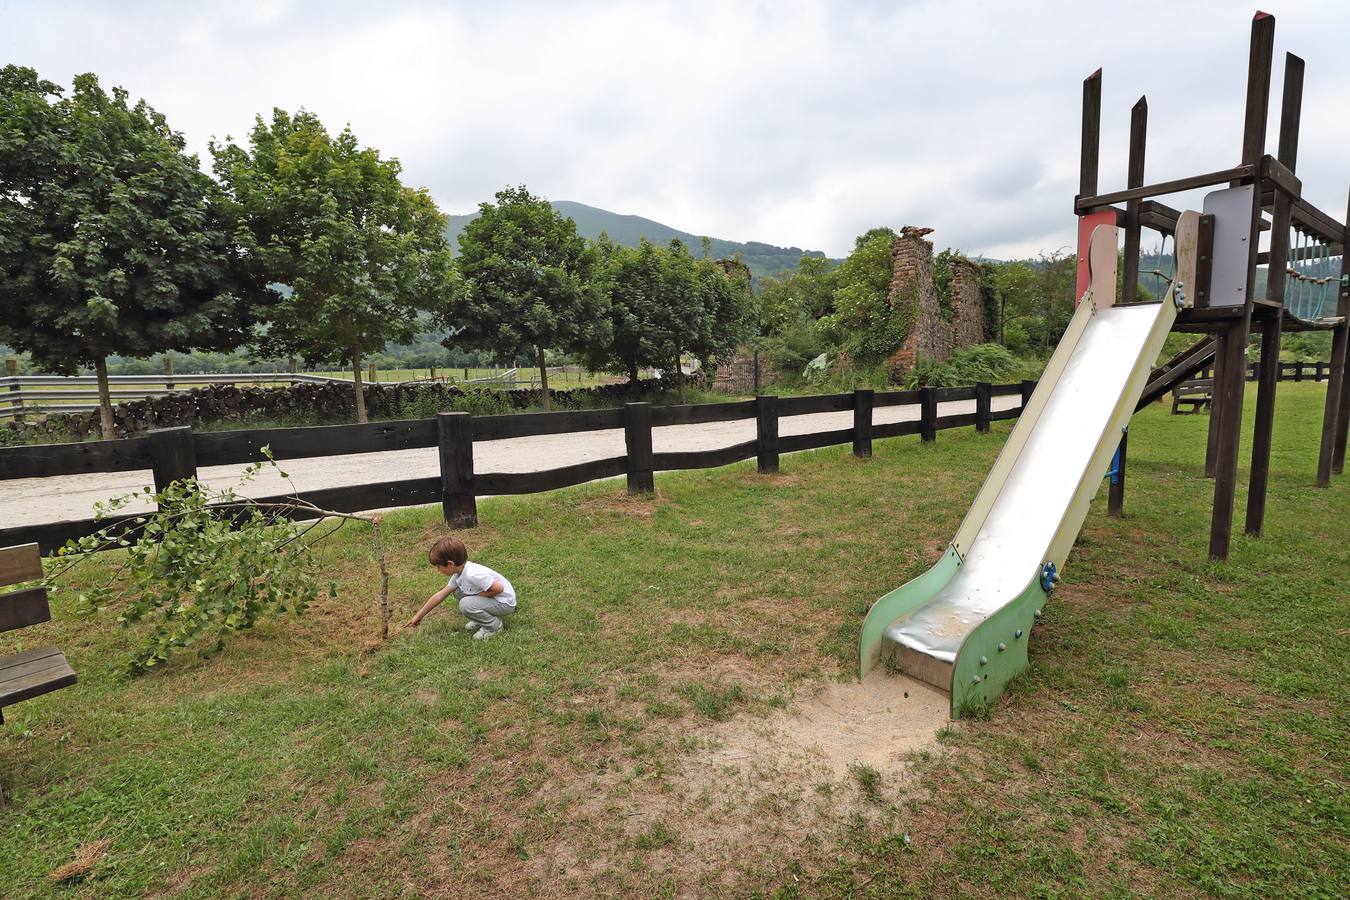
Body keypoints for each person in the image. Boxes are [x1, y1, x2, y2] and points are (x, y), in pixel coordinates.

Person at [406, 536, 516, 640]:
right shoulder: (458, 574)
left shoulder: (473, 574)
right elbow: (440, 595)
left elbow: (499, 589)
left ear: (450, 564)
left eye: (439, 567)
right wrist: (418, 616)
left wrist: (475, 596)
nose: (438, 570)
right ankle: (480, 619)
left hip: (505, 603)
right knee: (458, 592)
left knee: (465, 603)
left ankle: (494, 627)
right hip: (495, 599)